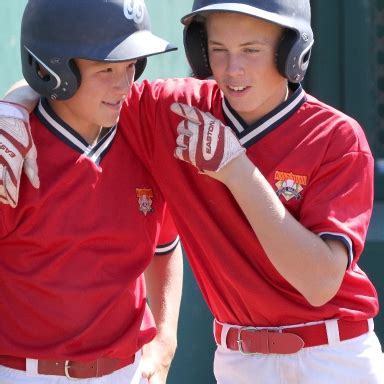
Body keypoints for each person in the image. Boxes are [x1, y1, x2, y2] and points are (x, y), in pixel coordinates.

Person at [2, 0, 384, 382]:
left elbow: (319, 285)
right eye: (218, 50)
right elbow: (68, 82)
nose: (233, 68)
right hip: (238, 358)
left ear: (290, 51)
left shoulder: (337, 136)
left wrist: (237, 170)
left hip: (333, 355)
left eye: (251, 50)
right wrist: (12, 107)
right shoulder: (173, 111)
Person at [0, 0, 183, 383]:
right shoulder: (14, 150)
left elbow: (165, 247)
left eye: (131, 66)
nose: (124, 84)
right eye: (106, 69)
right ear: (53, 69)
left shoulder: (142, 130)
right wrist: (13, 105)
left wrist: (165, 340)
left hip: (128, 372)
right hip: (26, 373)